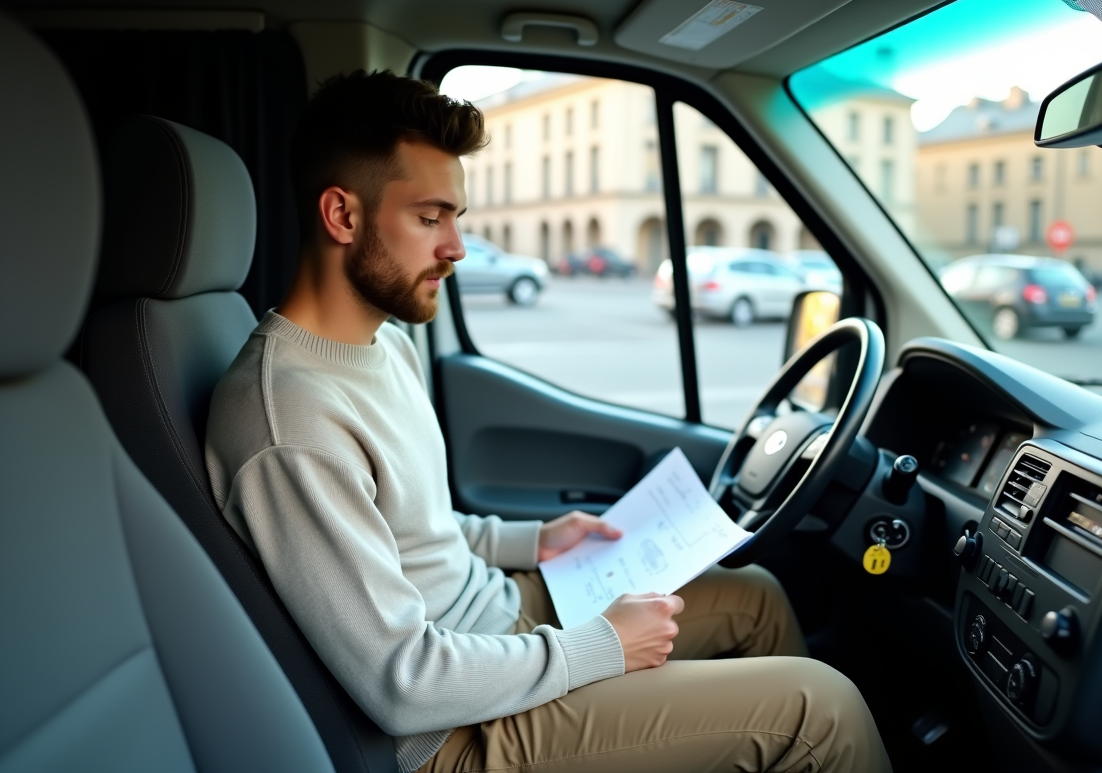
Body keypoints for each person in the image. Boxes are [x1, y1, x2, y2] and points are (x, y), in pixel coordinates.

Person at [205, 70, 890, 773]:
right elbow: (400, 682)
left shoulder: (385, 343)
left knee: (755, 599)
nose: (458, 248)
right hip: (454, 733)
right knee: (819, 709)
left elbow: (412, 531)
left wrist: (538, 540)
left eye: (457, 217)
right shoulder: (288, 419)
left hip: (495, 622)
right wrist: (603, 647)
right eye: (430, 217)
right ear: (343, 217)